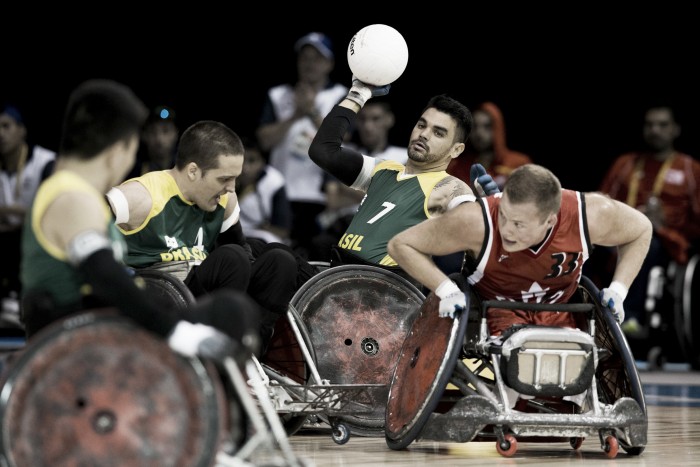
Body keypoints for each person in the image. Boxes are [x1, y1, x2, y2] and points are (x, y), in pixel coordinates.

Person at [20, 79, 259, 362]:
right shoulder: (71, 199)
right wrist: (179, 332)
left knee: (228, 310)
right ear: (118, 150)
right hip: (78, 345)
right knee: (228, 314)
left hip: (101, 327)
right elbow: (108, 280)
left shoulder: (78, 195)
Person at [387, 164, 652, 341]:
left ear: (550, 221)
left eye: (519, 224)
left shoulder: (591, 215)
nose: (507, 231)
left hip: (560, 310)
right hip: (491, 310)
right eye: (504, 215)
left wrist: (618, 291)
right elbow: (401, 244)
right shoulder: (475, 221)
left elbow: (641, 229)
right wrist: (446, 290)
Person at [106, 120, 299, 351]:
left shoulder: (225, 200)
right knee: (232, 258)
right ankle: (222, 356)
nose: (231, 187)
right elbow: (79, 220)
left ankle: (252, 353)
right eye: (224, 179)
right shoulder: (142, 196)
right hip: (162, 295)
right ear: (193, 171)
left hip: (206, 288)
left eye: (235, 178)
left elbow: (244, 254)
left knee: (281, 261)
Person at [308, 77, 497, 277]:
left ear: (456, 150)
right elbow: (323, 151)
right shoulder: (382, 168)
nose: (424, 134)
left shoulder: (450, 187)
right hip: (339, 272)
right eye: (421, 125)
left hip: (386, 290)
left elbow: (475, 231)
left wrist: (490, 210)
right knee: (277, 258)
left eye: (438, 133)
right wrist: (358, 94)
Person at [596, 104, 700, 335]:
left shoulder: (690, 169)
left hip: (668, 243)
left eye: (663, 125)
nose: (655, 130)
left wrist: (664, 223)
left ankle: (629, 316)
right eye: (650, 124)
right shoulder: (625, 164)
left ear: (675, 130)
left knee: (648, 245)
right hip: (617, 237)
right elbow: (601, 204)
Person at [256, 32, 348, 258]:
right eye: (304, 57)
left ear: (330, 64)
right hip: (280, 190)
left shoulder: (341, 95)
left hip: (319, 195)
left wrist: (313, 113)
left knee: (314, 254)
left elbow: (344, 143)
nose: (309, 63)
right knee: (278, 253)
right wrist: (296, 114)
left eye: (317, 58)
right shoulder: (278, 95)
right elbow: (264, 140)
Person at [310, 100, 407, 262]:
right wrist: (377, 191)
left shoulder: (404, 157)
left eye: (375, 119)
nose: (368, 126)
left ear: (389, 120)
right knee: (319, 243)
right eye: (362, 119)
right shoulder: (343, 153)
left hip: (381, 230)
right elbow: (332, 200)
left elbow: (396, 202)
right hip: (341, 227)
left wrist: (346, 187)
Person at [0, 104, 56, 320]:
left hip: (41, 239)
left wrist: (11, 214)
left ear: (22, 130)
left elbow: (49, 214)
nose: (1, 134)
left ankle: (23, 299)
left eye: (6, 126)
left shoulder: (46, 163)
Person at [447, 101, 532, 190]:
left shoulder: (519, 163)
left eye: (487, 127)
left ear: (498, 129)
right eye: (475, 126)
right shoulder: (456, 167)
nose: (479, 133)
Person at [235, 136, 291, 245]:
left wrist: (261, 227)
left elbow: (282, 231)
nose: (245, 168)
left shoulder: (274, 182)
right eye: (241, 160)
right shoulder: (224, 178)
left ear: (263, 162)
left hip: (259, 237)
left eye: (252, 161)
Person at [124, 105, 179, 180]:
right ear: (144, 136)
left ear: (176, 133)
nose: (159, 138)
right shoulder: (133, 171)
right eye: (153, 132)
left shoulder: (184, 169)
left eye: (165, 131)